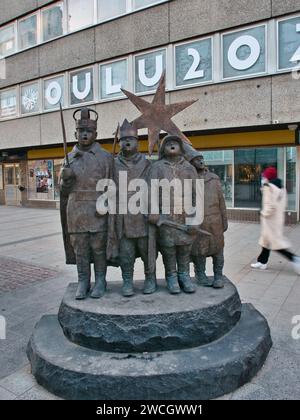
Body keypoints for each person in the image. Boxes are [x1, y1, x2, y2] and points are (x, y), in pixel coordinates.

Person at [60, 108, 113, 300]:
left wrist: (107, 203)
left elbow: (112, 185)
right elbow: (64, 193)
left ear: (95, 134)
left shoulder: (106, 157)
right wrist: (65, 180)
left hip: (97, 209)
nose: (84, 134)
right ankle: (83, 281)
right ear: (75, 134)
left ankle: (100, 280)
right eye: (81, 131)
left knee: (98, 248)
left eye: (88, 131)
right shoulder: (68, 159)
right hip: (76, 212)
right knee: (80, 249)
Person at [110, 119, 157, 297]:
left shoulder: (147, 164)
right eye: (123, 140)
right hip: (122, 217)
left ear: (138, 142)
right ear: (119, 142)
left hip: (143, 217)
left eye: (131, 139)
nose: (127, 142)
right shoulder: (112, 163)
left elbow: (155, 188)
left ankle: (150, 278)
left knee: (147, 252)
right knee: (126, 253)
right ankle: (127, 281)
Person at [148, 135, 197, 295]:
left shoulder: (189, 168)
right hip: (165, 216)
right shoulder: (156, 167)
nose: (172, 145)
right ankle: (171, 276)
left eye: (175, 142)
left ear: (181, 147)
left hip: (184, 214)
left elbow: (197, 195)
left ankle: (184, 276)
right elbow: (151, 191)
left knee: (184, 248)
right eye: (168, 143)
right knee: (168, 249)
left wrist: (195, 218)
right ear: (163, 148)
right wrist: (154, 210)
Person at [187, 149, 228, 289]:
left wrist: (224, 219)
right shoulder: (188, 180)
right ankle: (201, 274)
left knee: (218, 250)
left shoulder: (214, 178)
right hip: (199, 221)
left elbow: (221, 201)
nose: (200, 161)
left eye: (201, 158)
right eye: (196, 159)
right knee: (200, 250)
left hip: (215, 220)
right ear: (190, 163)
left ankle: (218, 275)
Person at [251, 166, 300, 274]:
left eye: (264, 176)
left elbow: (269, 206)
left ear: (268, 177)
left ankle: (295, 259)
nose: (263, 178)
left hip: (269, 220)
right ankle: (262, 262)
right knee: (266, 241)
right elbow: (283, 204)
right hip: (277, 220)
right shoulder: (282, 188)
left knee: (276, 244)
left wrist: (263, 213)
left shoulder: (269, 187)